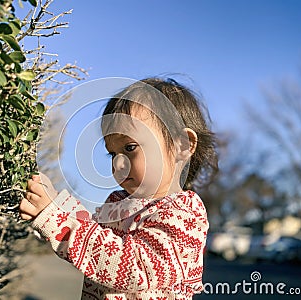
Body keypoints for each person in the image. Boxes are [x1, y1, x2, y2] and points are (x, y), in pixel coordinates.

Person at [19, 77, 218, 300]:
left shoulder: (184, 214)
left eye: (129, 147)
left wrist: (57, 221)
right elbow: (92, 230)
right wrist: (54, 204)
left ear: (182, 144)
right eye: (112, 153)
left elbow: (134, 267)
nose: (118, 164)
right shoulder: (119, 202)